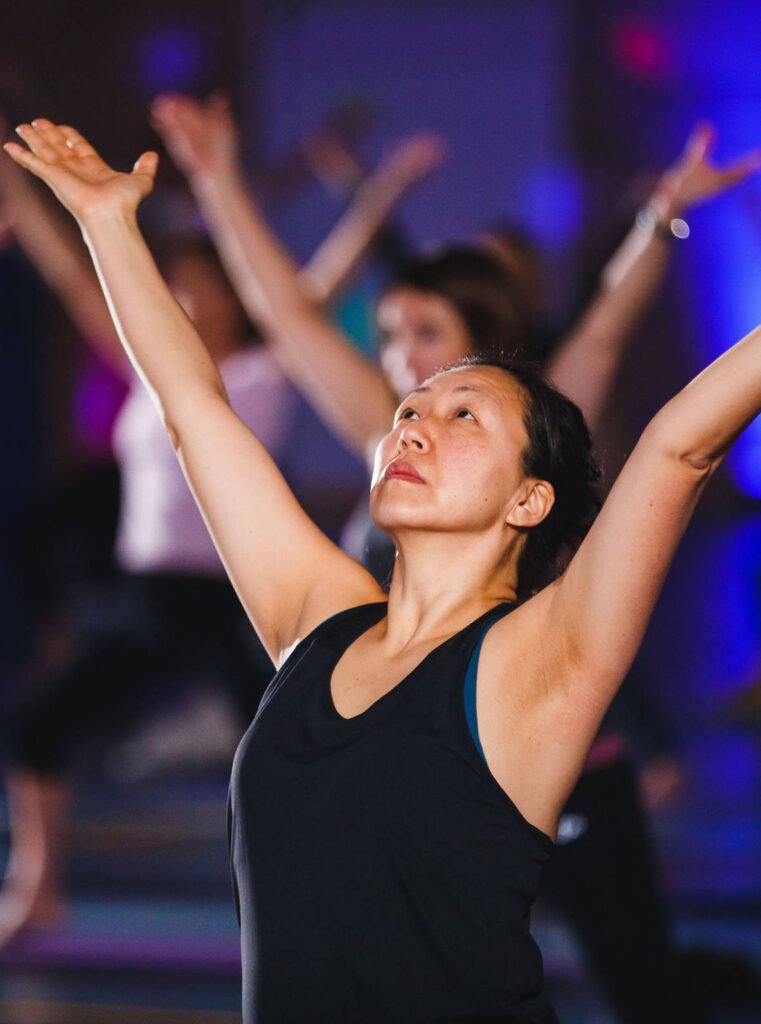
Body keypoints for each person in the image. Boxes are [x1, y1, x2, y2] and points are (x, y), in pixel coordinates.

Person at [8, 116, 761, 1024]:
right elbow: (191, 407)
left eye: (463, 416)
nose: (411, 422)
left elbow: (679, 446)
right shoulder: (317, 620)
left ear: (529, 500)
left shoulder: (541, 661)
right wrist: (105, 224)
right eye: (409, 409)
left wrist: (661, 224)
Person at [0, 133, 296, 945]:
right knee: (38, 730)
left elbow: (301, 297)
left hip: (228, 599)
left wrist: (229, 181)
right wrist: (20, 189)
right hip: (148, 593)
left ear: (233, 302)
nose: (188, 303)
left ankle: (326, 913)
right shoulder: (153, 367)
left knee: (286, 765)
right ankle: (39, 888)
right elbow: (71, 277)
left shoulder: (261, 371)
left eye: (202, 290)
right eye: (179, 290)